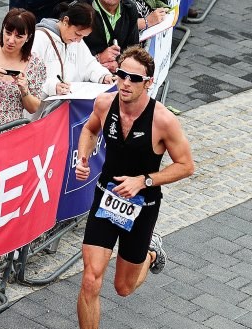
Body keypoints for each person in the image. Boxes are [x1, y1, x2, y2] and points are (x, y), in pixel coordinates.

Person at [75, 46, 194, 328]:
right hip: (106, 197)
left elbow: (186, 165)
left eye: (134, 79)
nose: (126, 83)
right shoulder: (105, 104)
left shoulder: (163, 120)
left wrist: (144, 180)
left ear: (148, 82)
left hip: (142, 206)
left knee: (123, 288)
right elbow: (90, 129)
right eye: (121, 75)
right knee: (91, 279)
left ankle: (151, 251)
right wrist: (83, 158)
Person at [32, 1, 114, 98]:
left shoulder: (75, 42)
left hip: (65, 105)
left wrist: (104, 76)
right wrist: (52, 87)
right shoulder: (39, 38)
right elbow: (30, 76)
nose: (79, 40)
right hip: (40, 107)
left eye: (83, 37)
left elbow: (89, 65)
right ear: (66, 21)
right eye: (78, 34)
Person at [83, 0, 140, 73]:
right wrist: (98, 58)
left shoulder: (129, 9)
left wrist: (119, 64)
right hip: (85, 76)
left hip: (114, 76)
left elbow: (133, 49)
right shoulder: (81, 9)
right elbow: (70, 54)